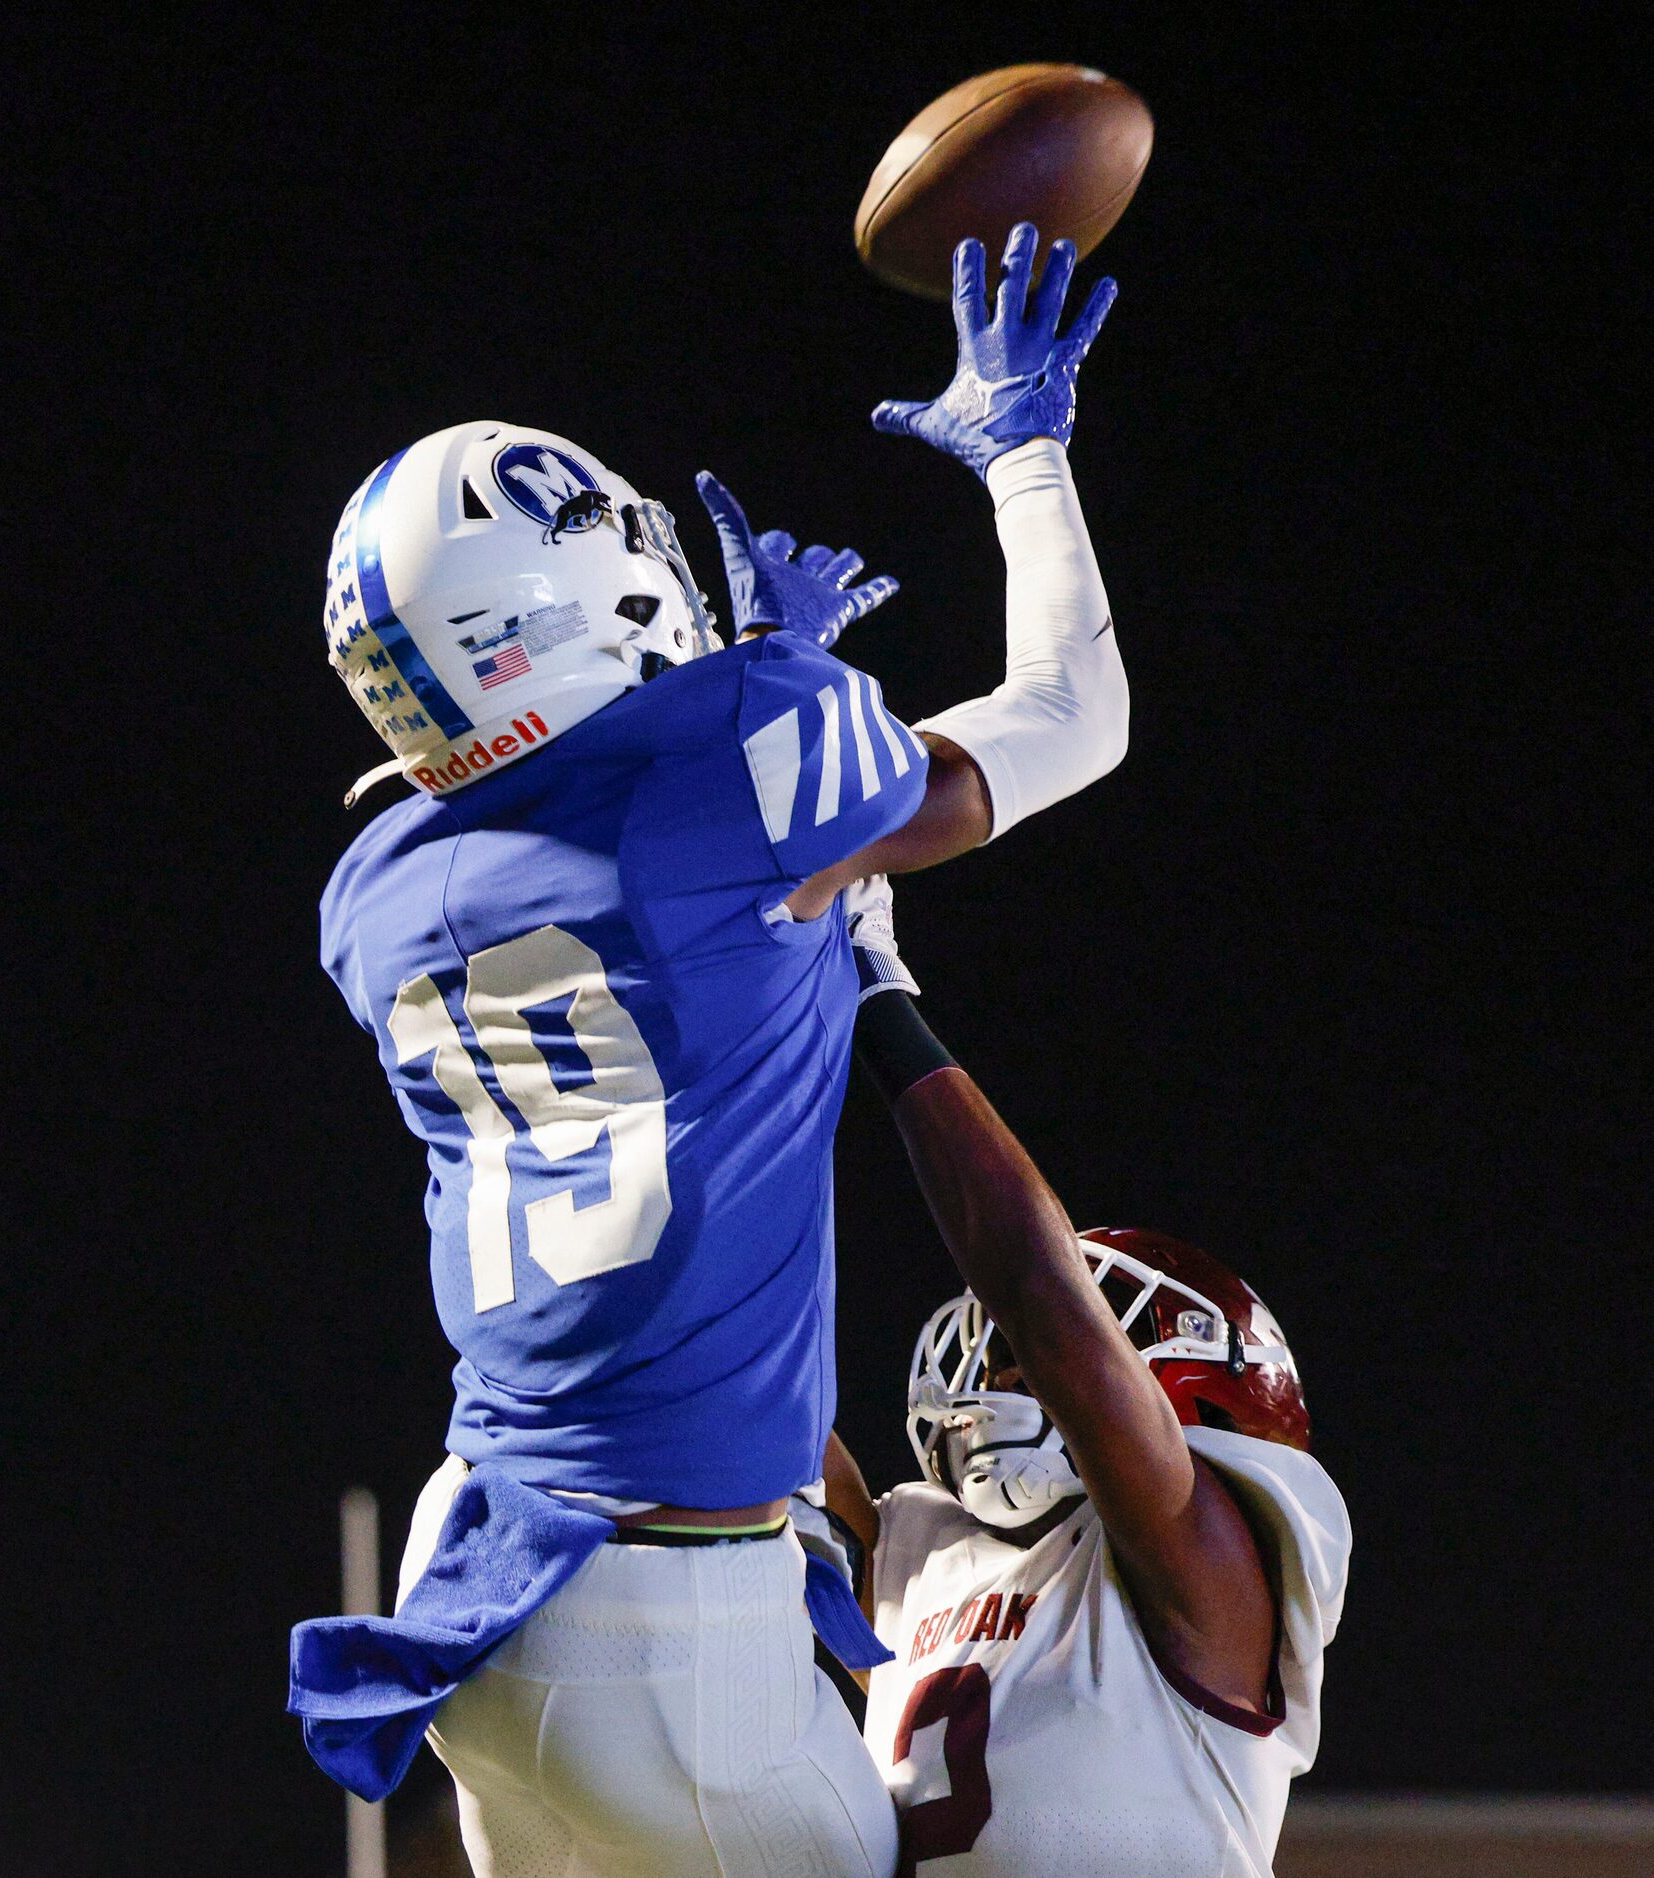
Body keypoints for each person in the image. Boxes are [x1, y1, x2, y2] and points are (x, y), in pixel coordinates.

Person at [288, 225, 1130, 1878]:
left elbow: (666, 908)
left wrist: (761, 732)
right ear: (588, 597)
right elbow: (1072, 714)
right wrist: (1022, 456)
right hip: (668, 1624)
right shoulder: (737, 771)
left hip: (476, 1567)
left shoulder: (370, 895)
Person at [823, 891, 1352, 1877]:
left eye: (1058, 1345)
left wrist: (872, 994)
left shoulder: (1208, 1557)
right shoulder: (924, 1558)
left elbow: (1031, 1280)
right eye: (1010, 1354)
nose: (1009, 1367)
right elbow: (748, 1406)